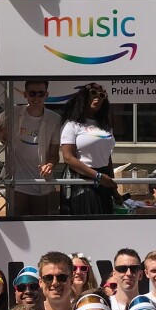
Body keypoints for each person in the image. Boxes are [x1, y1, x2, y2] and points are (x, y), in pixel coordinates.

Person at [0, 80, 63, 217]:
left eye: (41, 94)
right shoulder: (15, 111)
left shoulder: (54, 119)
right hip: (16, 178)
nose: (37, 98)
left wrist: (50, 165)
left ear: (47, 95)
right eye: (33, 94)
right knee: (15, 220)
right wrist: (0, 133)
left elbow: (55, 153)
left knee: (40, 221)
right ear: (26, 94)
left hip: (40, 181)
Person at [60, 83, 118, 215]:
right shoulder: (72, 125)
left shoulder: (106, 126)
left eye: (102, 96)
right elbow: (68, 158)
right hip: (81, 181)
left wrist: (113, 188)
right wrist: (97, 176)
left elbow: (107, 157)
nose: (98, 98)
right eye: (93, 94)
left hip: (103, 179)